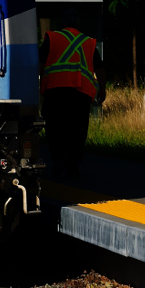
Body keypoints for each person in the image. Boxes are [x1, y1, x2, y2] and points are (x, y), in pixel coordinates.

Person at [40, 12, 105, 178]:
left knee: (55, 127)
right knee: (77, 130)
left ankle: (59, 160)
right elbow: (99, 69)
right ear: (78, 21)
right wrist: (102, 89)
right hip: (80, 93)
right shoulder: (88, 42)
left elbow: (40, 64)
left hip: (55, 91)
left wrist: (36, 87)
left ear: (62, 21)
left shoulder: (52, 38)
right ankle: (73, 164)